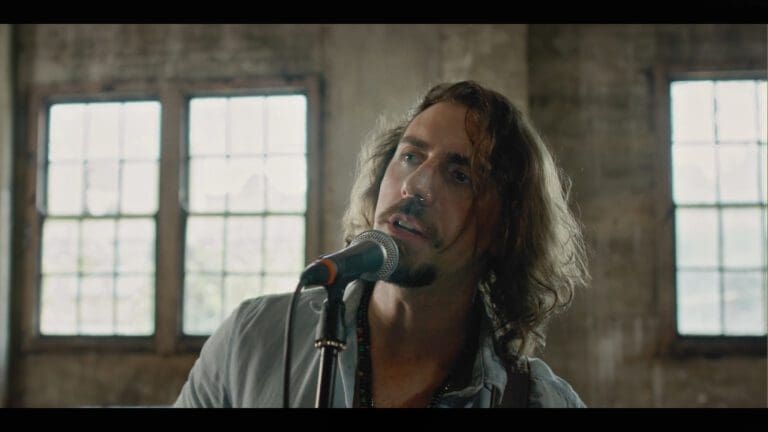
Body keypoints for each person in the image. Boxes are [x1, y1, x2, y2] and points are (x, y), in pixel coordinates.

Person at [174, 80, 590, 408]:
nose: (416, 185)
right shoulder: (252, 340)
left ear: (506, 230)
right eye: (410, 156)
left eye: (459, 176)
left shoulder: (538, 400)